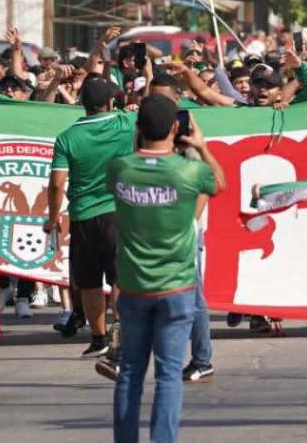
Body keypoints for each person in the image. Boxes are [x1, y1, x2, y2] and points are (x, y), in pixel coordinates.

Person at [108, 95, 219, 443]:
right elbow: (219, 182)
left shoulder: (120, 168)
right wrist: (200, 146)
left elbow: (124, 167)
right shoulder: (189, 170)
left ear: (139, 128)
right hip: (177, 286)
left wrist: (137, 143)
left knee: (130, 372)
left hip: (134, 286)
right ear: (176, 128)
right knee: (169, 375)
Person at [46, 76, 136, 358]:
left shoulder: (67, 137)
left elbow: (57, 183)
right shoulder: (125, 125)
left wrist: (52, 218)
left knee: (90, 282)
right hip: (119, 212)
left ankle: (98, 339)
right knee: (120, 278)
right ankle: (119, 329)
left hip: (83, 215)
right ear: (110, 102)